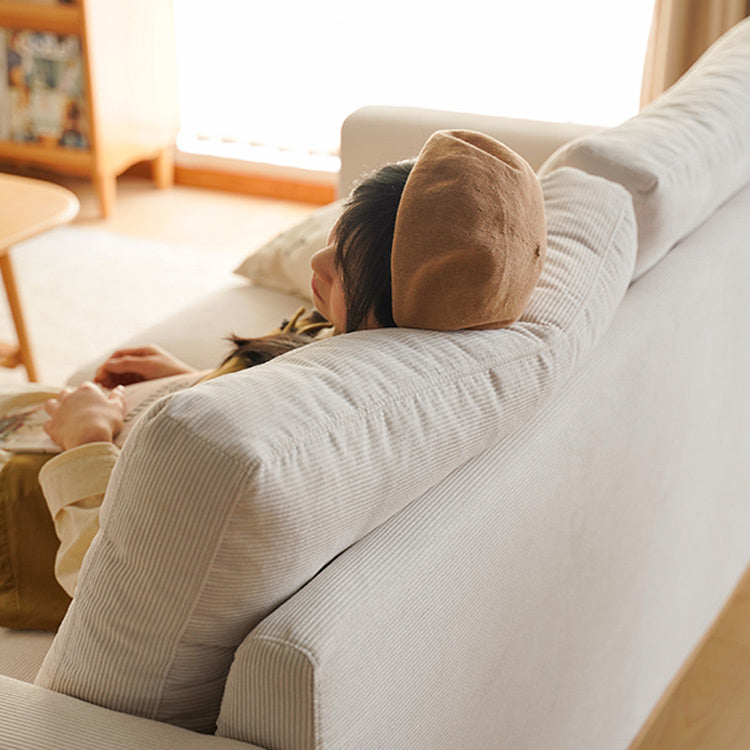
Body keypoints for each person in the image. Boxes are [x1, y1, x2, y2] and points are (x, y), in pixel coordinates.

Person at [0, 129, 547, 630]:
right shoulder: (341, 335)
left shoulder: (308, 443)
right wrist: (191, 379)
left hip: (20, 527)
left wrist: (88, 438)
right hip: (56, 426)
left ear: (394, 307)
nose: (318, 258)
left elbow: (106, 586)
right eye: (336, 236)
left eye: (345, 268)